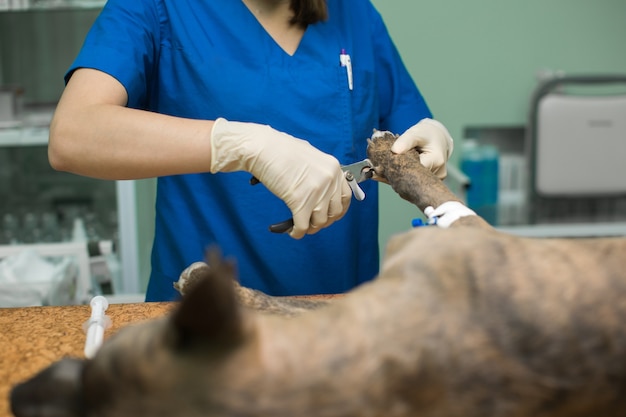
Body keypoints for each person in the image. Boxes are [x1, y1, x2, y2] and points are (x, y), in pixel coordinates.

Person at [48, 0, 454, 301]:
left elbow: (408, 136)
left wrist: (429, 138)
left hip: (342, 321)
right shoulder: (158, 7)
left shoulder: (356, 15)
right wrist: (242, 144)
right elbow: (74, 134)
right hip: (204, 326)